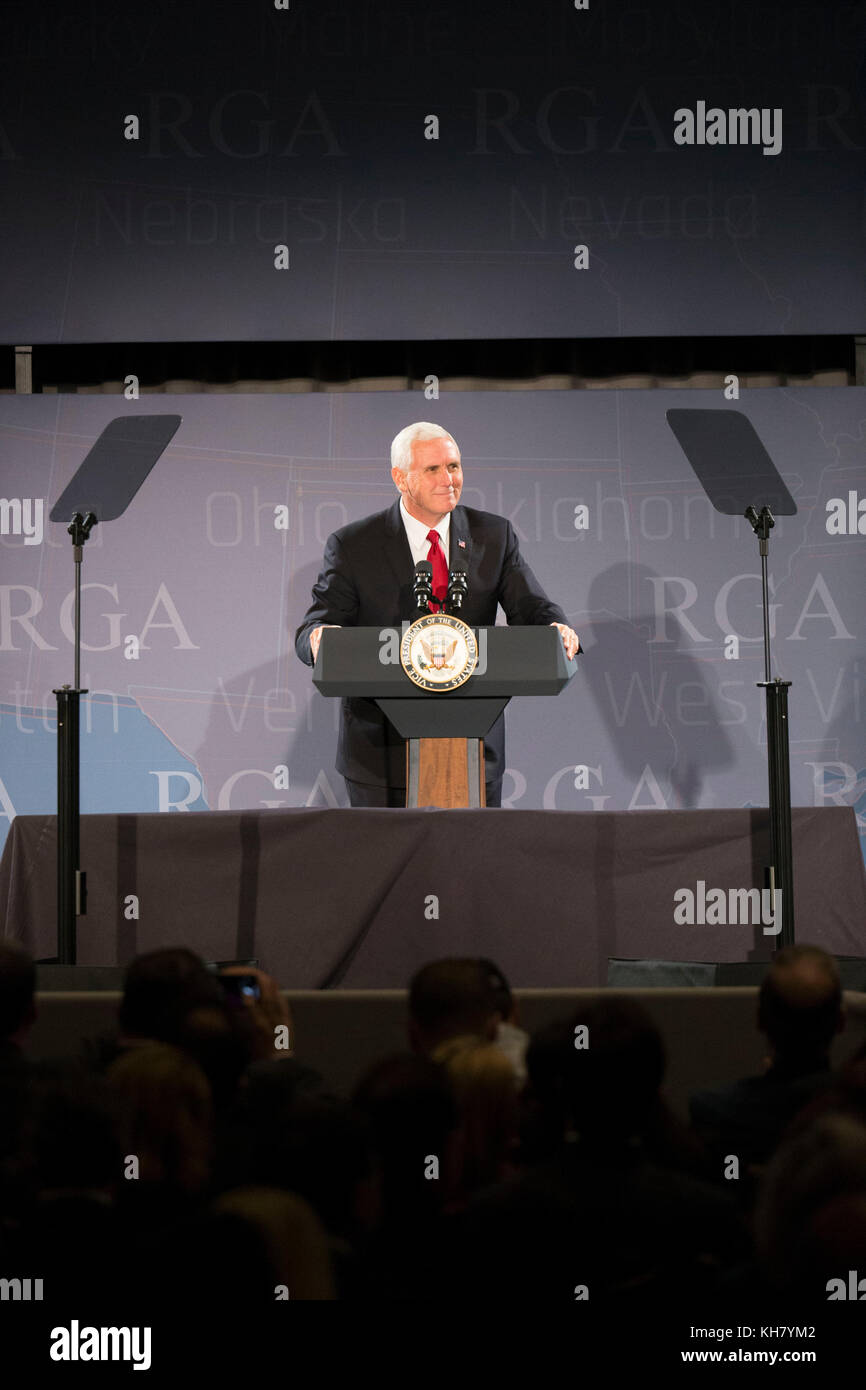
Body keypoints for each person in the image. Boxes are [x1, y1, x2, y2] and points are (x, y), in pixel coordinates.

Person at [295, 422, 579, 806]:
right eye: (433, 469)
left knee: (469, 863)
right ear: (400, 478)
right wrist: (319, 638)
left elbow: (531, 606)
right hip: (380, 752)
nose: (449, 479)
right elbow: (317, 625)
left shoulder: (493, 535)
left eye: (454, 466)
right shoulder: (353, 544)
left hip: (474, 747)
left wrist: (555, 627)